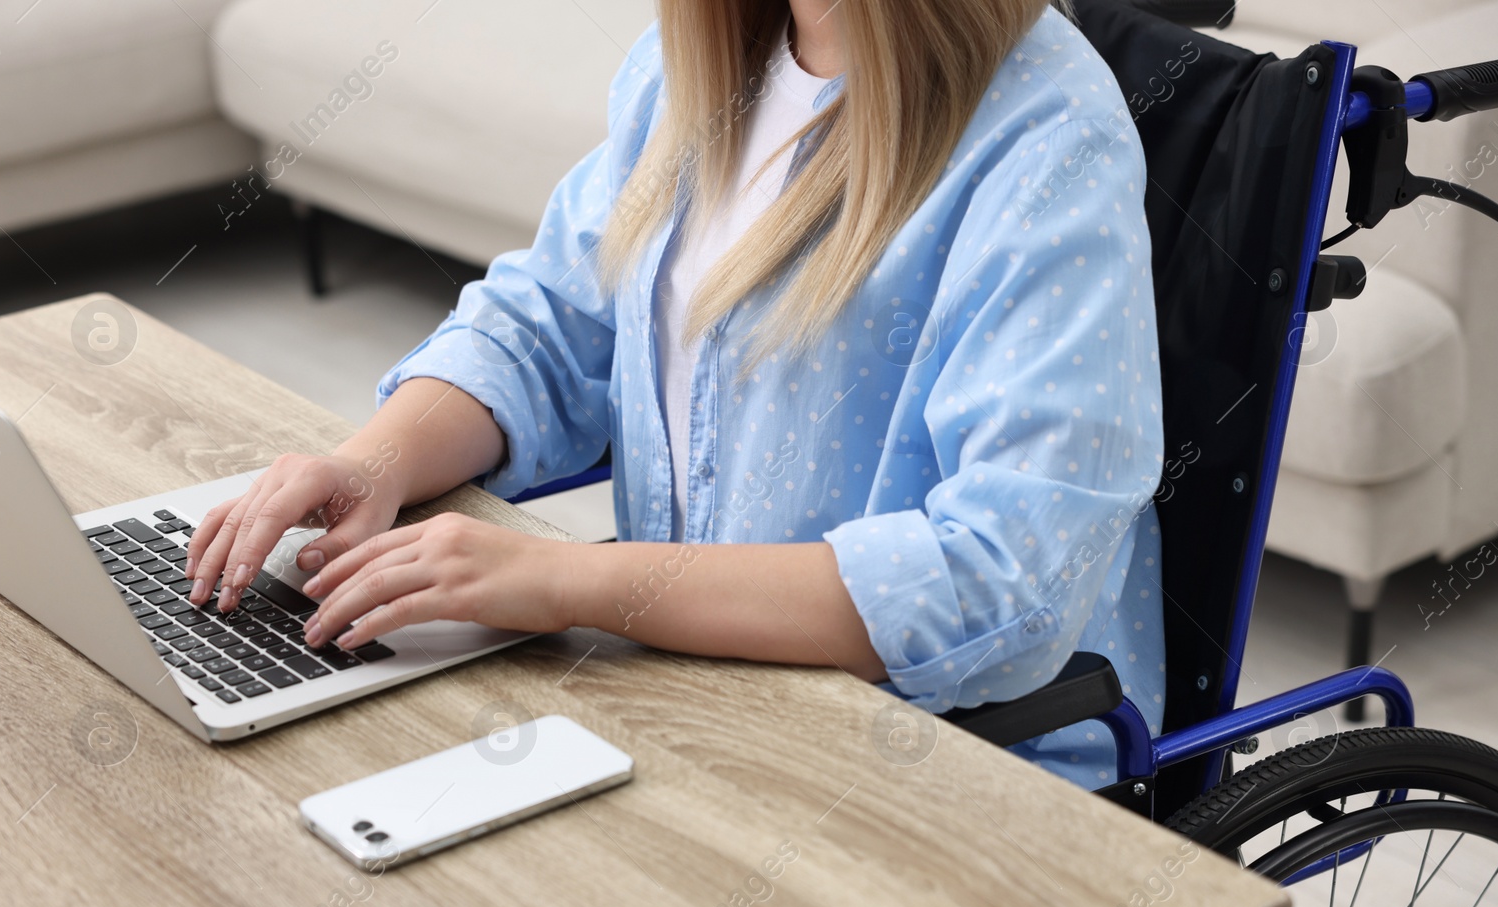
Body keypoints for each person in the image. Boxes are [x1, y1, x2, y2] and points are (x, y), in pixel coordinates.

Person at [185, 0, 1166, 786]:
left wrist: (571, 583)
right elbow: (550, 324)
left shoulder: (1047, 143)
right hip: (693, 698)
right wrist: (374, 461)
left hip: (951, 762)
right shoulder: (700, 60)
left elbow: (1002, 582)